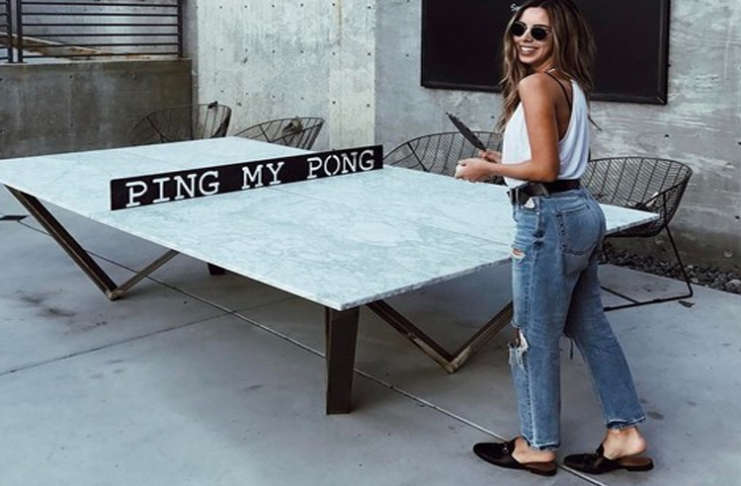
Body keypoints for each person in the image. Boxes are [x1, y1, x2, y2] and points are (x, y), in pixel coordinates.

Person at [455, 0, 654, 477]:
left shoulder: (535, 84)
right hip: (579, 210)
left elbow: (544, 169)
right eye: (519, 27)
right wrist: (505, 158)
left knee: (532, 337)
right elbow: (554, 159)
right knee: (591, 328)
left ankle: (537, 444)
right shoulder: (569, 83)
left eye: (539, 32)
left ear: (559, 36)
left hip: (547, 218)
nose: (525, 38)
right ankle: (625, 432)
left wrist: (487, 170)